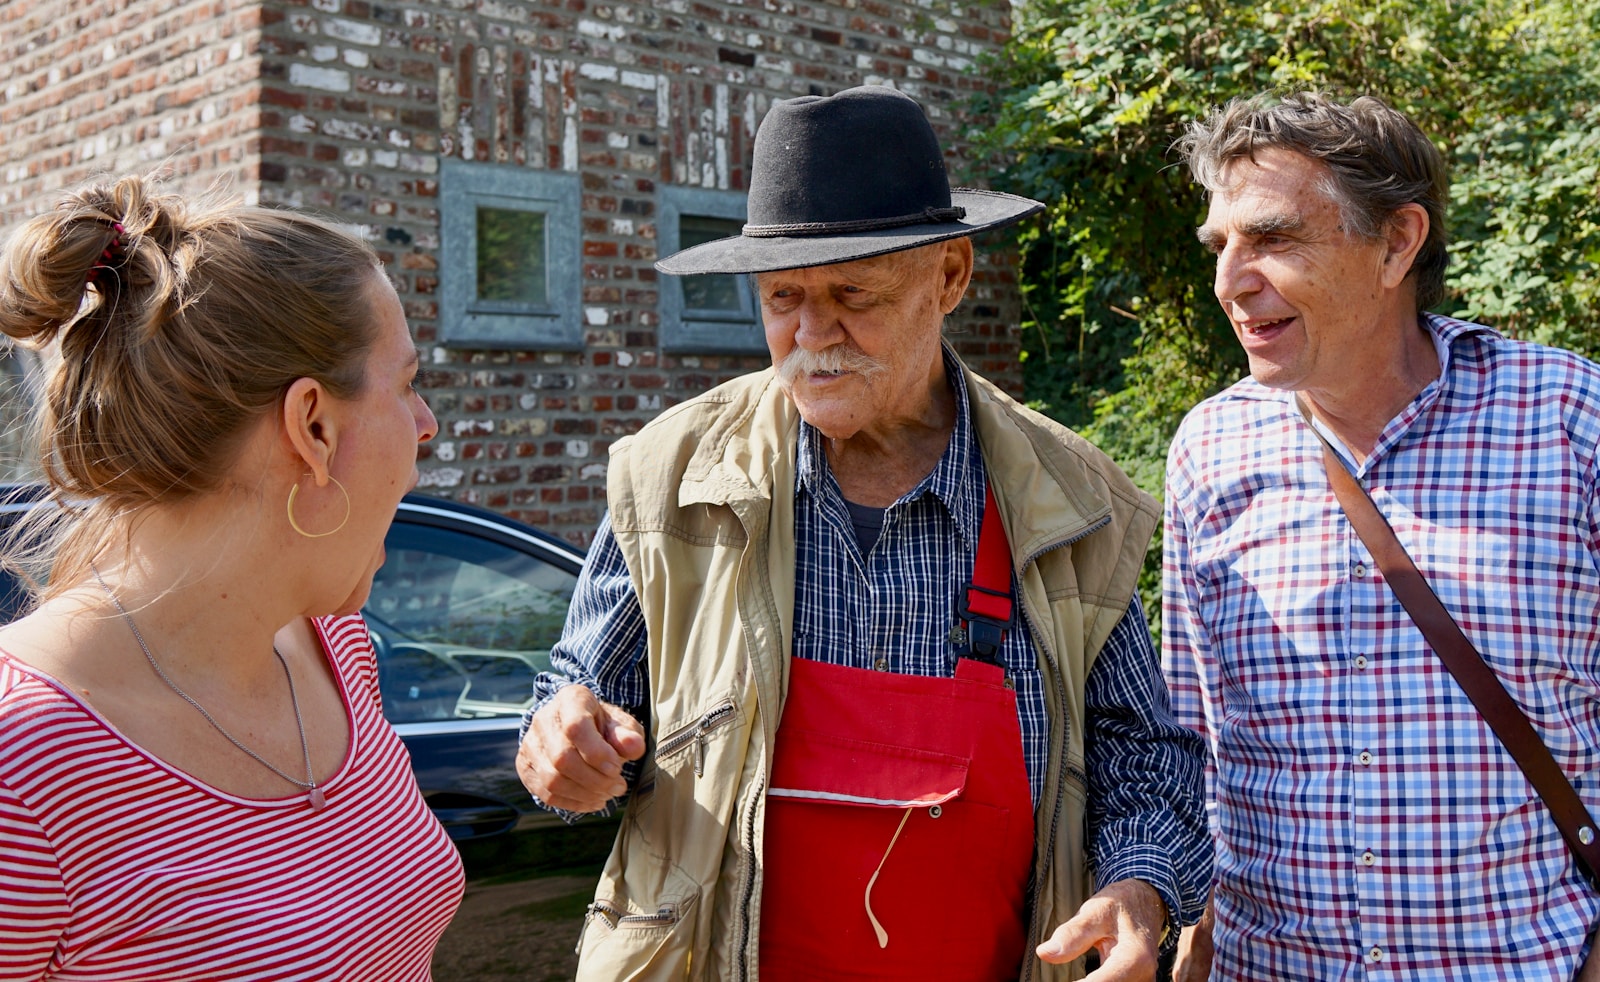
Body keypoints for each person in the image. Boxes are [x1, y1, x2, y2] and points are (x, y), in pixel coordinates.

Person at [515, 84, 1209, 981]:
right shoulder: (671, 476)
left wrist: (1139, 891)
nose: (812, 334)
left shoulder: (1071, 502)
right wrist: (559, 744)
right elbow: (579, 698)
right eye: (782, 296)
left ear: (951, 276)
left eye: (853, 293)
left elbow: (1144, 759)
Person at [1163, 91, 1600, 980]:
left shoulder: (1570, 421)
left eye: (1273, 239)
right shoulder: (1208, 448)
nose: (1229, 280)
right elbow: (1193, 739)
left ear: (1398, 242)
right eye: (1221, 247)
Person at [0, 175, 458, 980]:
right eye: (408, 382)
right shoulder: (22, 766)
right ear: (312, 425)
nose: (426, 424)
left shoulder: (335, 647)